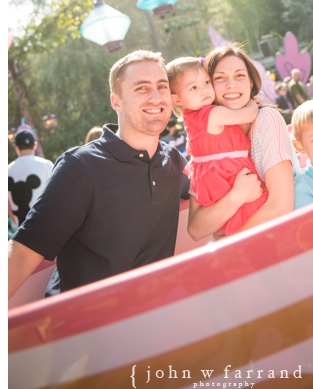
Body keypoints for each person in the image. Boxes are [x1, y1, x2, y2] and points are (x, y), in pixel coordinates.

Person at [8, 50, 190, 299]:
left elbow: (210, 190)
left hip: (149, 317)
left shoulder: (174, 160)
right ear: (116, 101)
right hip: (81, 324)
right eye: (141, 88)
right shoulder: (80, 166)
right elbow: (22, 252)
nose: (155, 96)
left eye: (161, 86)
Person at [187, 44, 301, 241]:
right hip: (248, 255)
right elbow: (196, 229)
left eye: (239, 76)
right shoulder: (206, 139)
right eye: (219, 78)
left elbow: (280, 207)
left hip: (287, 238)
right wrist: (236, 196)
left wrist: (228, 244)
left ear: (250, 83)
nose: (231, 84)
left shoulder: (267, 120)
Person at [166, 57, 267, 236]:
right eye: (193, 87)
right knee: (250, 216)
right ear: (177, 99)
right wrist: (251, 100)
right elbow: (250, 114)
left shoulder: (194, 118)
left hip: (215, 177)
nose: (204, 89)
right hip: (227, 175)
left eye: (206, 82)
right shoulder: (210, 114)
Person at [8, 130, 54, 226]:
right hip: (46, 225)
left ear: (16, 147)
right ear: (35, 145)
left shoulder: (7, 170)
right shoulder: (47, 165)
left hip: (21, 231)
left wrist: (16, 223)